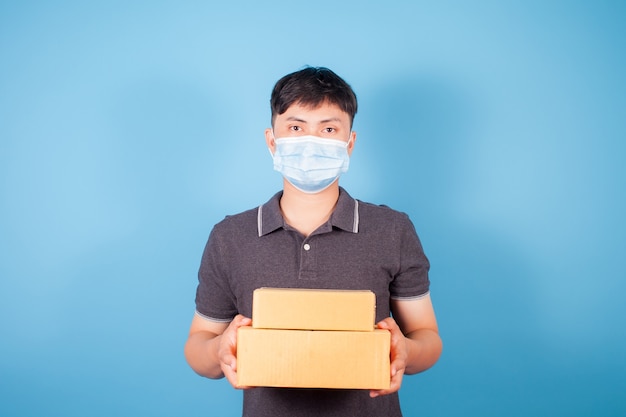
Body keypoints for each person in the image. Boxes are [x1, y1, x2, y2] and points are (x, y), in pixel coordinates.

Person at [184, 66, 442, 417]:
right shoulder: (230, 237)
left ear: (349, 142)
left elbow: (426, 335)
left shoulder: (392, 229)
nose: (311, 143)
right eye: (295, 127)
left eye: (329, 129)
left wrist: (407, 352)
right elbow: (198, 344)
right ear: (271, 140)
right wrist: (218, 352)